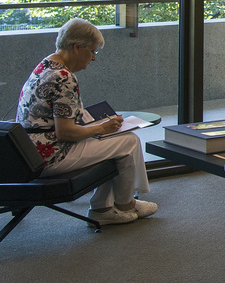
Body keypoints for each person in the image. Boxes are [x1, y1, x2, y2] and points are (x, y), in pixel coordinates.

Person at [16, 18, 155, 226]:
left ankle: (104, 206)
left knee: (114, 140)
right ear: (76, 47)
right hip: (52, 155)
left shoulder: (45, 66)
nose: (93, 58)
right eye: (92, 51)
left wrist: (100, 129)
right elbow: (65, 133)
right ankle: (124, 205)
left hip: (32, 152)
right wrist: (101, 128)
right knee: (128, 142)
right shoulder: (63, 77)